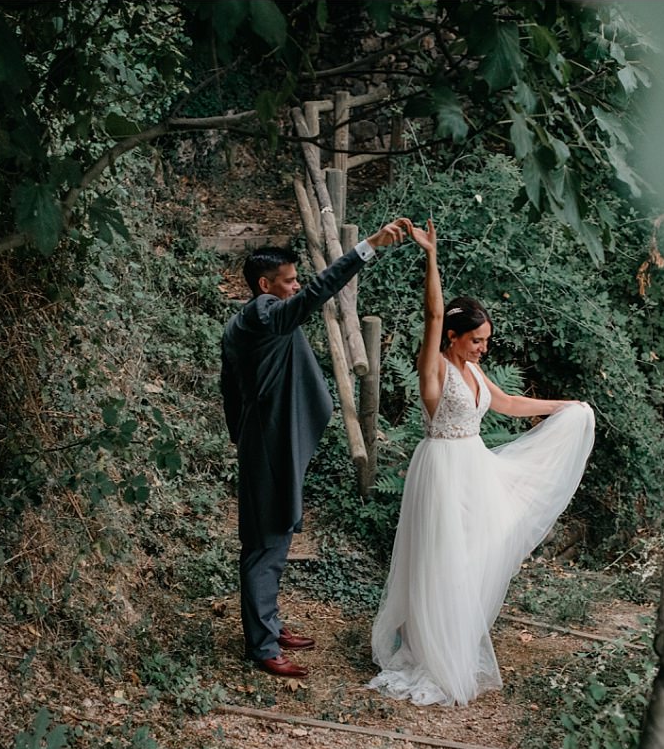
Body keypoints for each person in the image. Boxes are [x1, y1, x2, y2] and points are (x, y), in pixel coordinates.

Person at [368, 219, 595, 706]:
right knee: (440, 556)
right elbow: (431, 314)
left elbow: (510, 403)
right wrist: (430, 254)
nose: (482, 348)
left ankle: (450, 637)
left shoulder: (472, 368)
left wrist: (565, 406)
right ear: (452, 336)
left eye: (486, 342)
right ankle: (427, 649)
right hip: (441, 469)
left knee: (473, 555)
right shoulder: (434, 369)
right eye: (476, 341)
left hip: (475, 466)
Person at [221, 218, 412, 679]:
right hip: (266, 444)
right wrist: (367, 247)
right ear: (266, 286)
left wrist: (241, 434)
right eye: (289, 281)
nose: (297, 286)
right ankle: (263, 646)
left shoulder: (250, 320)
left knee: (277, 534)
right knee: (265, 543)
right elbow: (316, 294)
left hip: (264, 439)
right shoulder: (265, 313)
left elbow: (229, 386)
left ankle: (267, 623)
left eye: (295, 278)